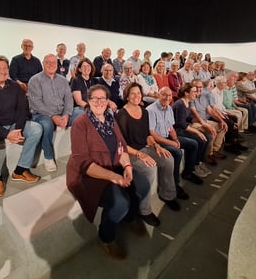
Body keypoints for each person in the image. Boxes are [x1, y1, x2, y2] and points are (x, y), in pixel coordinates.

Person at [67, 84, 150, 260]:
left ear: (107, 101)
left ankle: (129, 217)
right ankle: (106, 237)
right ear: (88, 101)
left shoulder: (110, 119)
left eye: (102, 99)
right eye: (94, 99)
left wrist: (127, 167)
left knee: (142, 185)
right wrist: (114, 177)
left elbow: (121, 147)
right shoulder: (80, 123)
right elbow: (83, 162)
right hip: (90, 174)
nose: (99, 102)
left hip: (114, 165)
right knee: (119, 203)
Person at [0, 56, 43, 198]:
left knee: (36, 128)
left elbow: (22, 110)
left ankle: (21, 170)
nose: (2, 71)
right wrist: (6, 134)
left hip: (12, 125)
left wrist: (18, 129)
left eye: (5, 68)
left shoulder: (15, 87)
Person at [116, 83, 180, 226]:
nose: (136, 96)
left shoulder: (144, 112)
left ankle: (167, 195)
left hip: (145, 147)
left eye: (138, 93)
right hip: (129, 153)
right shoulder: (122, 115)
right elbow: (121, 145)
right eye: (133, 93)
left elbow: (147, 136)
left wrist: (157, 146)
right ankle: (143, 210)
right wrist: (140, 154)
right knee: (150, 168)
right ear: (127, 96)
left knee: (168, 159)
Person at [28, 54, 75, 172]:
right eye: (47, 62)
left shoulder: (63, 80)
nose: (51, 64)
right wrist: (53, 116)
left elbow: (69, 98)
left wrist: (66, 115)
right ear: (43, 64)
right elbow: (36, 103)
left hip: (61, 112)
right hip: (41, 114)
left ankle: (81, 150)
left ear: (57, 65)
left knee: (81, 115)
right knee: (47, 124)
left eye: (53, 62)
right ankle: (48, 157)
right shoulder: (35, 80)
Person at [147, 86, 197, 192]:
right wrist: (171, 142)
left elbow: (170, 128)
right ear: (158, 95)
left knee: (193, 144)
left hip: (168, 137)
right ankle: (175, 183)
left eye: (169, 95)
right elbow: (152, 134)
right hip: (157, 141)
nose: (167, 98)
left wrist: (175, 139)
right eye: (164, 95)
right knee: (177, 152)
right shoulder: (151, 110)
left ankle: (188, 172)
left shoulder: (169, 108)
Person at [172, 83, 213, 175]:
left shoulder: (189, 102)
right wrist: (197, 132)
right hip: (177, 131)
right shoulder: (180, 104)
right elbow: (181, 124)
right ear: (186, 93)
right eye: (194, 91)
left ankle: (198, 162)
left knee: (206, 136)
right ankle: (192, 167)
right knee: (199, 139)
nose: (196, 93)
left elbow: (188, 118)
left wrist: (199, 121)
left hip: (183, 128)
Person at [189, 79, 226, 161]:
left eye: (200, 87)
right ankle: (208, 154)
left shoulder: (204, 96)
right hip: (195, 122)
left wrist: (221, 120)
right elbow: (195, 113)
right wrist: (206, 125)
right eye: (196, 87)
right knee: (210, 132)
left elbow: (210, 111)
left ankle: (215, 150)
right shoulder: (191, 97)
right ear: (192, 88)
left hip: (204, 120)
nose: (199, 89)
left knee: (222, 126)